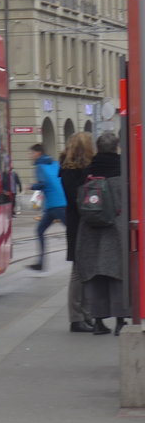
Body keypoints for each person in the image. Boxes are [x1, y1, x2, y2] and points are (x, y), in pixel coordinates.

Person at [75, 131, 131, 335]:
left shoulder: (88, 171)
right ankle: (120, 320)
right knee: (118, 275)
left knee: (94, 276)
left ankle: (98, 322)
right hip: (116, 230)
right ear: (116, 147)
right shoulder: (123, 169)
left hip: (90, 232)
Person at [58, 132, 96, 332]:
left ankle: (85, 313)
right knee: (79, 271)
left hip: (80, 221)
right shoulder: (73, 171)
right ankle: (76, 317)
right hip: (80, 222)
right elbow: (77, 199)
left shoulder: (70, 169)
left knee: (85, 269)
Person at [28, 143, 65, 271]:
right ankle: (40, 263)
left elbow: (43, 183)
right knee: (40, 230)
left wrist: (32, 186)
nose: (30, 156)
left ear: (38, 153)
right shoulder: (55, 163)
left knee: (40, 231)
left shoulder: (39, 166)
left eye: (31, 153)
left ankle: (41, 263)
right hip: (58, 204)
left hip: (56, 205)